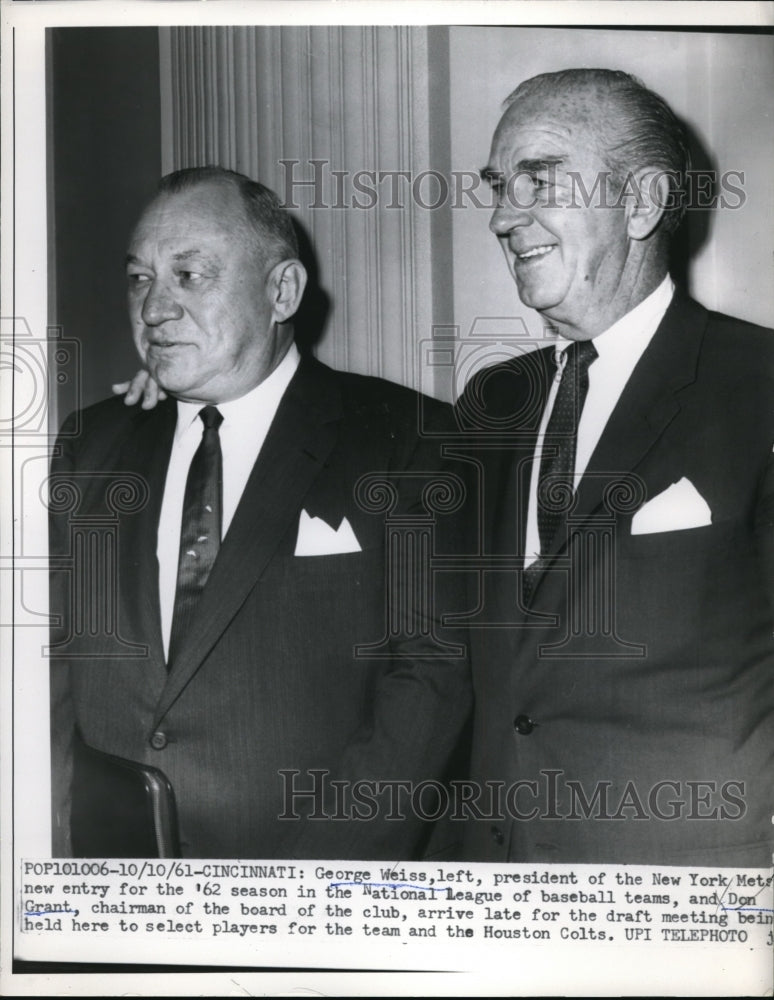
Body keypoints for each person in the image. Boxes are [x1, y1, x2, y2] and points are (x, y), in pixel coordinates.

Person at [49, 166, 471, 860]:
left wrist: (308, 892)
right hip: (114, 888)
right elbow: (51, 670)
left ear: (282, 291)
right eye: (139, 278)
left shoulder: (409, 440)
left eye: (189, 276)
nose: (153, 309)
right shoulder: (92, 445)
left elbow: (430, 682)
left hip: (313, 893)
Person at [457, 69, 774, 866]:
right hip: (499, 883)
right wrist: (177, 402)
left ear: (642, 202)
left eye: (541, 181)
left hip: (686, 898)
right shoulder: (494, 399)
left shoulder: (758, 384)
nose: (503, 216)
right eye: (499, 187)